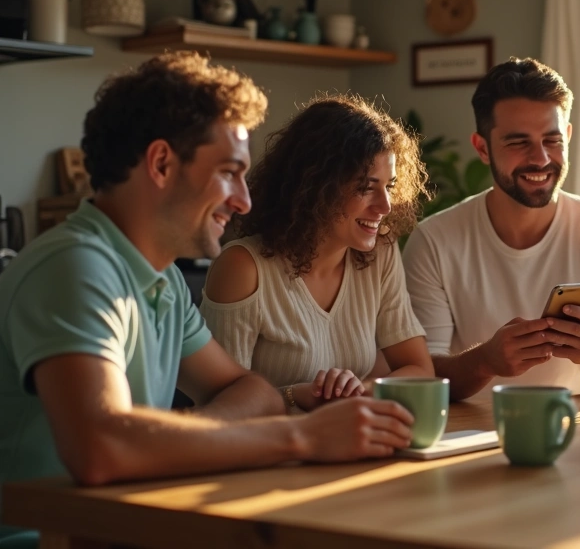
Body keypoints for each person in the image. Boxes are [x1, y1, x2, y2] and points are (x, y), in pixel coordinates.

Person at [0, 53, 416, 546]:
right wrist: (303, 436)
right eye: (228, 172)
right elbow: (100, 446)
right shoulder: (75, 267)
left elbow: (253, 391)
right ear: (160, 164)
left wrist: (175, 443)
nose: (244, 199)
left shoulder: (163, 281)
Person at [402, 57, 580, 401]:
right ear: (482, 148)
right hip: (469, 438)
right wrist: (485, 361)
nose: (541, 159)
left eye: (552, 140)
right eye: (518, 142)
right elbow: (423, 377)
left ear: (569, 136)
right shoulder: (434, 241)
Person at [201, 96, 434, 412]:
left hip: (348, 443)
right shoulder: (243, 267)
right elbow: (216, 407)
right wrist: (295, 396)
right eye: (366, 187)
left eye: (389, 187)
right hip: (267, 451)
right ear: (315, 186)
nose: (385, 206)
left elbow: (420, 371)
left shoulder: (381, 253)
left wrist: (358, 391)